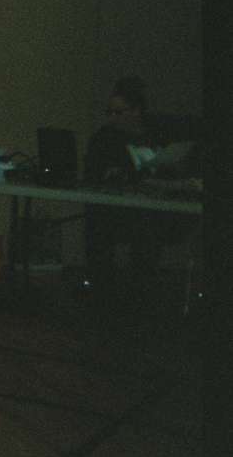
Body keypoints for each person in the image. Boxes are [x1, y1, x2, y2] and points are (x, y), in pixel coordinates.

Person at [81, 76, 198, 300]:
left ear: (136, 111)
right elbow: (94, 174)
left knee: (149, 228)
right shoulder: (105, 139)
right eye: (110, 112)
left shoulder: (160, 134)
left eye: (119, 112)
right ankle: (106, 292)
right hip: (121, 212)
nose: (112, 118)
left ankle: (141, 292)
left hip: (159, 211)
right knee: (99, 222)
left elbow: (174, 171)